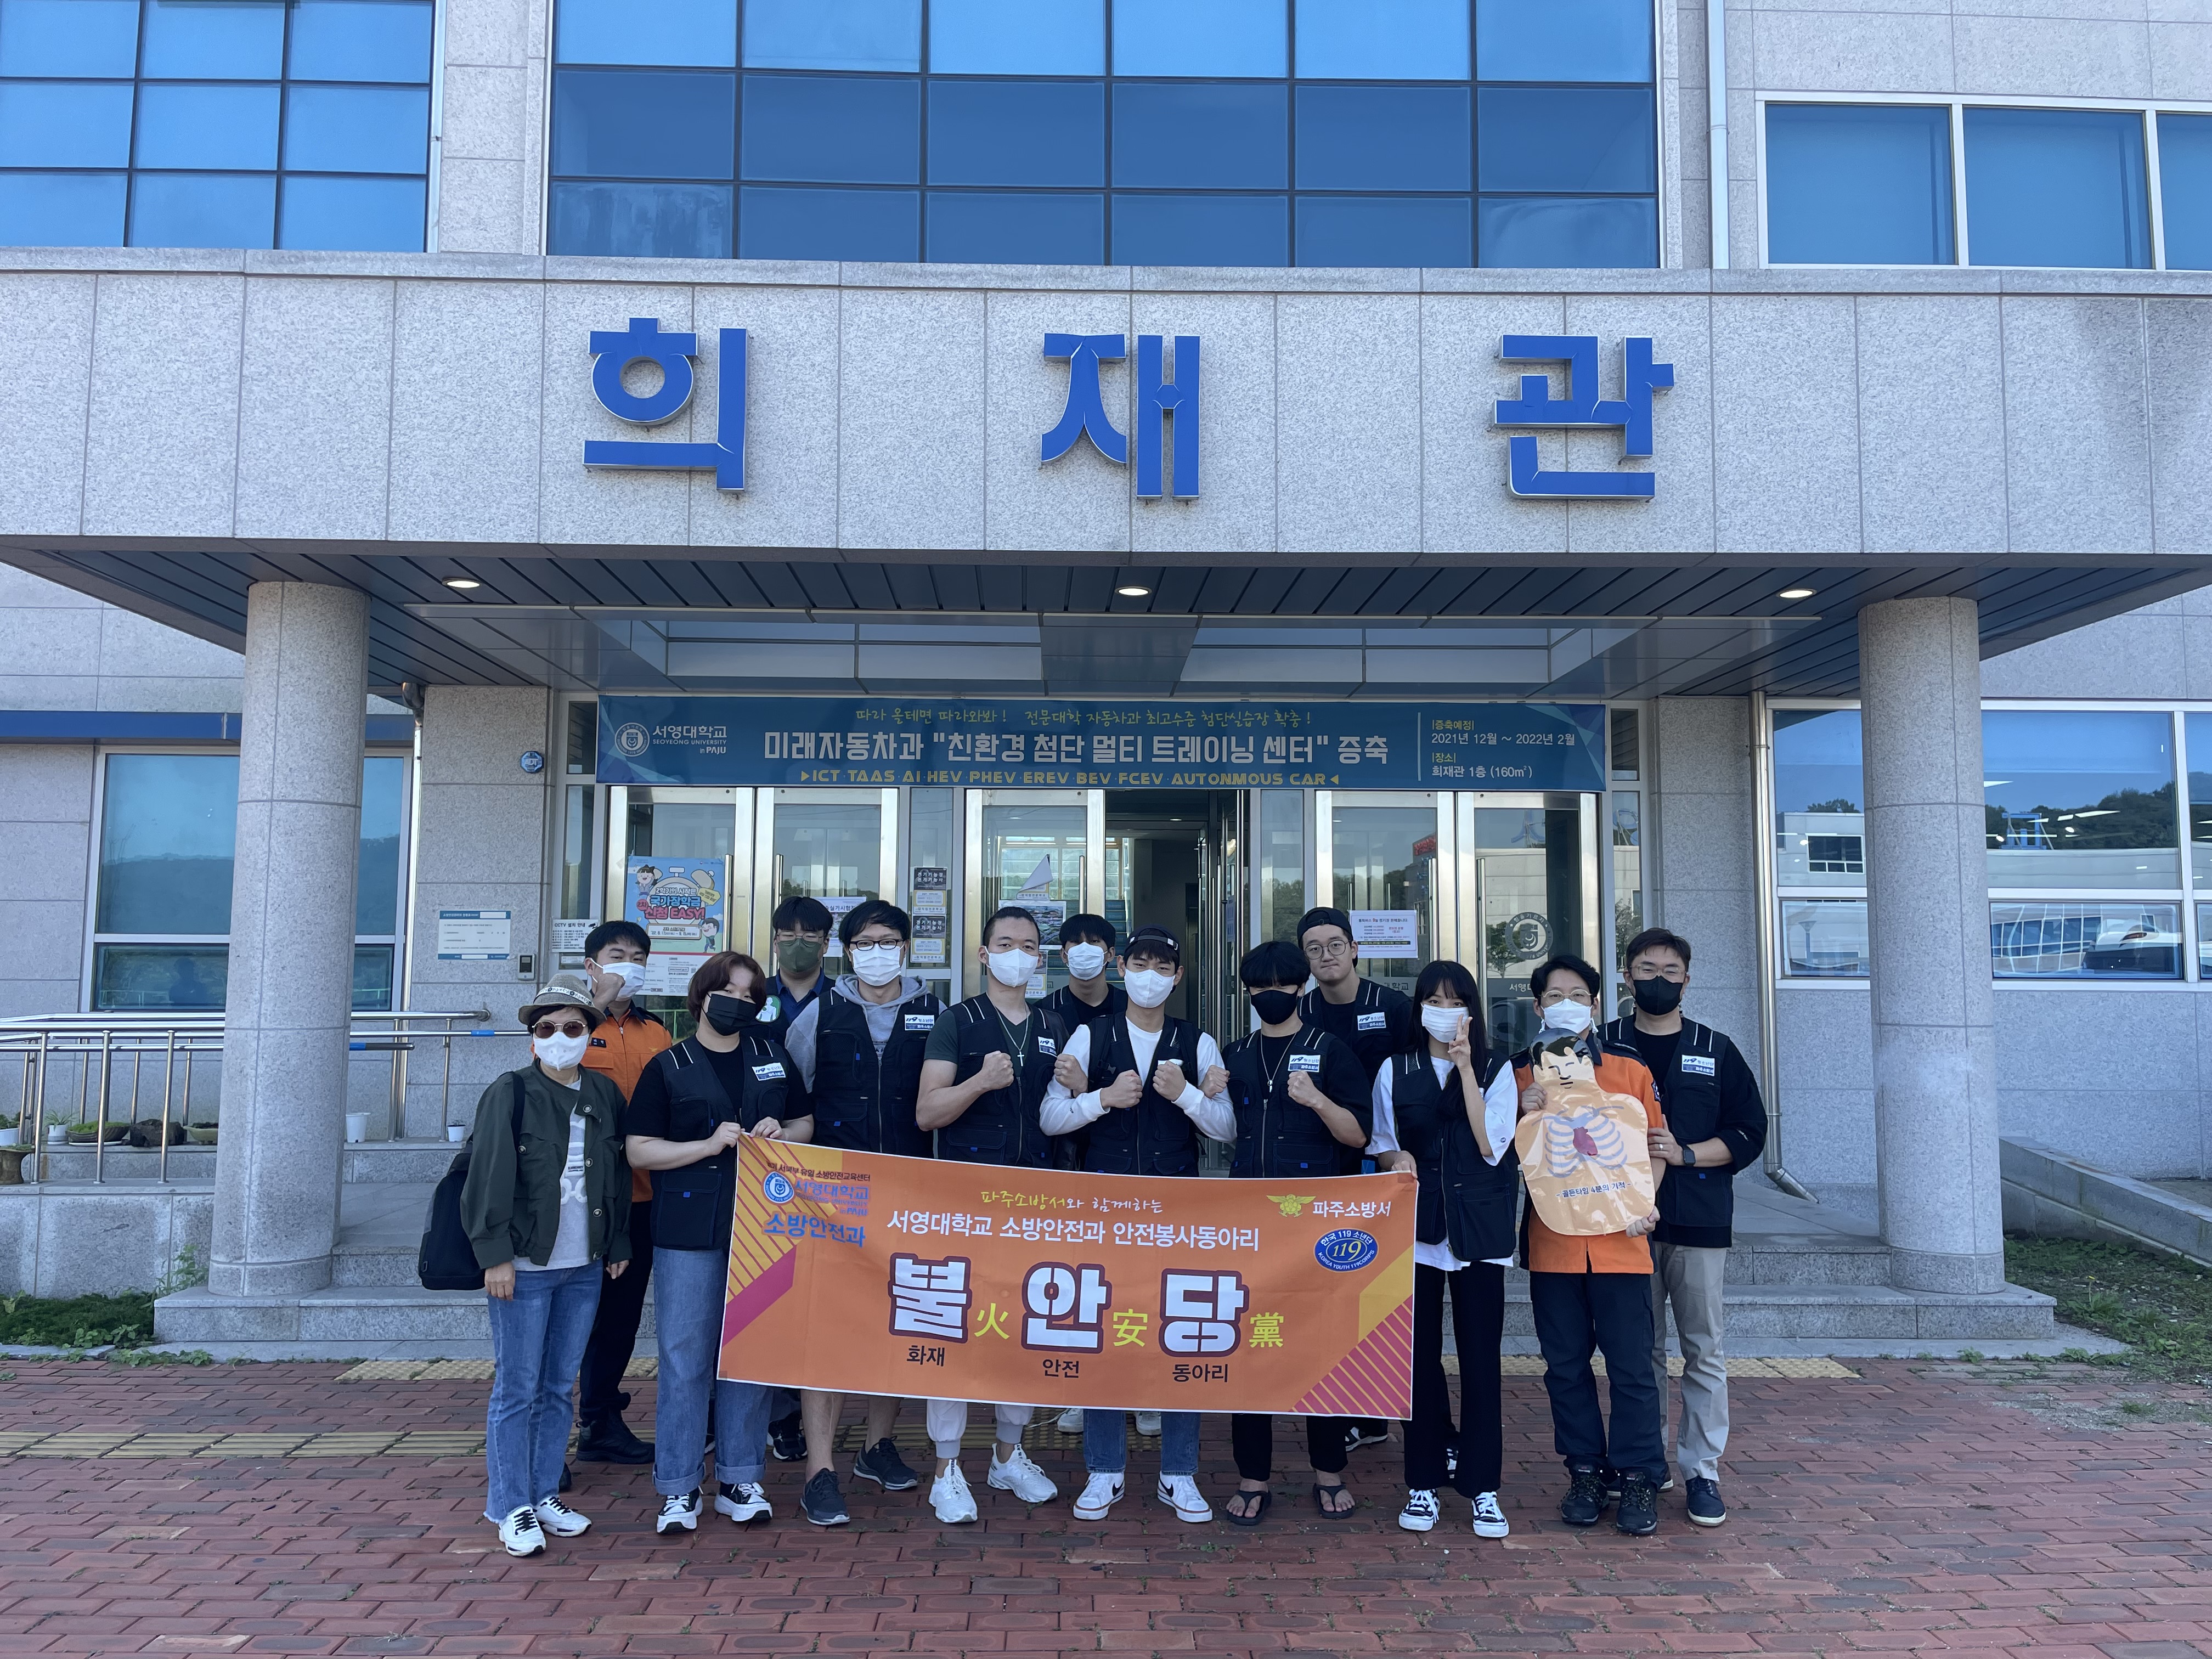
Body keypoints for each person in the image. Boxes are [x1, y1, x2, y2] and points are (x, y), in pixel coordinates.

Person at [1041, 924, 1233, 1524]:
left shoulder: (1198, 1041)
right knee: (1103, 1333)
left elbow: (1227, 1127)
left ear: (1178, 977)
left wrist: (1187, 1096)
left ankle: (1180, 1472)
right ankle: (1104, 1470)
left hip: (1178, 1214)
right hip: (1107, 1211)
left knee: (1183, 1333)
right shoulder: (1091, 1034)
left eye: (1163, 967)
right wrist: (1101, 1098)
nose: (1151, 976)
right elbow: (1050, 1116)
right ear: (1122, 969)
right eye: (1140, 964)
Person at [624, 952, 812, 1534]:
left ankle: (739, 1478)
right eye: (726, 992)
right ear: (701, 996)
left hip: (762, 1227)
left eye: (749, 995)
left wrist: (783, 1132)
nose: (737, 1003)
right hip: (689, 1230)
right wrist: (705, 1146)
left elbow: (806, 1122)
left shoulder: (771, 1056)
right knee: (685, 1358)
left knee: (750, 1355)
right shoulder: (669, 1065)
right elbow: (638, 1149)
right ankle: (679, 1487)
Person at [782, 898, 944, 1526]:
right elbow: (794, 1098)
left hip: (911, 1192)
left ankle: (878, 1445)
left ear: (907, 948)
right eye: (865, 943)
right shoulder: (820, 1014)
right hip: (834, 1196)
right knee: (826, 1330)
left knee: (898, 1321)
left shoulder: (938, 1014)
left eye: (889, 941)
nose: (878, 953)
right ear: (848, 952)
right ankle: (819, 1470)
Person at [1599, 927, 1767, 1530]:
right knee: (1637, 1350)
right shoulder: (1602, 1045)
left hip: (1698, 1219)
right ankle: (1646, 1464)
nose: (1659, 981)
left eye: (1671, 971)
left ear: (1687, 981)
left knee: (1703, 1348)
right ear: (1627, 977)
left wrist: (1689, 1154)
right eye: (1647, 970)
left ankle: (1701, 1469)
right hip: (1622, 1224)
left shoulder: (1715, 1049)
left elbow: (1750, 1132)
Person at [461, 974, 631, 1558]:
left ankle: (543, 1493)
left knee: (559, 1387)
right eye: (547, 1027)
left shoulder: (604, 1094)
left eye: (573, 1027)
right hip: (525, 1265)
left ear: (590, 1033)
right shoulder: (509, 1092)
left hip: (584, 1265)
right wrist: (495, 1257)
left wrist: (618, 1243)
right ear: (532, 1036)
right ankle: (509, 1504)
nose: (560, 1036)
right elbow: (487, 1178)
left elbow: (617, 1175)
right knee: (518, 1387)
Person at [911, 905, 1066, 1522]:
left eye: (1028, 946)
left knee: (1023, 1327)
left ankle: (1008, 1454)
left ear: (1040, 958)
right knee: (954, 1327)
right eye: (1005, 944)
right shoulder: (957, 1021)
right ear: (983, 954)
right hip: (966, 1203)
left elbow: (1065, 1111)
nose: (1017, 955)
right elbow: (927, 1112)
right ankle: (946, 1468)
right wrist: (978, 1082)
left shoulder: (1053, 1024)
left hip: (1035, 1203)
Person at [1218, 939, 1374, 1524]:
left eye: (1283, 986)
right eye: (1261, 988)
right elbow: (1220, 1128)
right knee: (1249, 1347)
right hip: (1249, 1223)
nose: (1272, 996)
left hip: (1316, 1225)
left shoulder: (1331, 1051)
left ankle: (1329, 1470)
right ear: (1248, 993)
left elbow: (1359, 1134)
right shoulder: (1235, 1054)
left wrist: (1317, 1101)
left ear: (1302, 989)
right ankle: (1253, 1475)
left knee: (1320, 1346)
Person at [1515, 954, 1668, 1537]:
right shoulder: (1521, 1073)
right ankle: (1584, 1470)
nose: (1567, 1005)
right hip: (1553, 1242)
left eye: (1578, 995)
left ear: (1597, 1004)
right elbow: (1501, 1151)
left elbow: (1656, 1145)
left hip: (1622, 1243)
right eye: (1555, 996)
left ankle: (1639, 1474)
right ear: (1538, 1007)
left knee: (1632, 1367)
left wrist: (1646, 1204)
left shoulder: (1629, 1068)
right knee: (1565, 1367)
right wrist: (1520, 1115)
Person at [1366, 960, 1517, 1541]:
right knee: (1418, 1362)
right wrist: (1395, 1159)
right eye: (1433, 1000)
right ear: (1419, 1008)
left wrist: (1466, 1068)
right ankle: (1423, 1481)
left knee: (1481, 1362)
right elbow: (1383, 1144)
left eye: (1456, 1002)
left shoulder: (1498, 1069)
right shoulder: (1394, 1068)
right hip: (1417, 1232)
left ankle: (1483, 1487)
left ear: (1472, 1011)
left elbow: (1490, 1144)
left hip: (1480, 1232)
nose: (1444, 1011)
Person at [1296, 905, 1414, 1457]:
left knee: (1385, 1295)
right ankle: (1352, 1412)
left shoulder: (1393, 1008)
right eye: (1314, 948)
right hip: (1329, 1168)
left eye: (1335, 944)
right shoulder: (1301, 1011)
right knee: (1337, 1291)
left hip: (1388, 1166)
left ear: (1355, 949)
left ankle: (1394, 1417)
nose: (1327, 956)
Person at [571, 920, 671, 1468]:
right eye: (617, 955)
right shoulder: (566, 1023)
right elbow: (547, 1073)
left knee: (620, 1317)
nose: (629, 965)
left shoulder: (657, 1031)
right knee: (570, 1316)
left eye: (638, 957)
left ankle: (601, 1420)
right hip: (581, 1198)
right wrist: (593, 1009)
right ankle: (548, 1435)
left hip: (641, 1197)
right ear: (592, 965)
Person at [1037, 911, 1126, 1432]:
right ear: (1063, 954)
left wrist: (1088, 1085)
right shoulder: (1045, 1013)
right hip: (1065, 1156)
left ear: (1112, 956)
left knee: (1128, 1276)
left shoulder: (1135, 1007)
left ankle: (1137, 1388)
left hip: (1125, 1158)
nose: (1086, 951)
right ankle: (1080, 1388)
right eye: (1076, 943)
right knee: (1076, 1274)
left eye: (1097, 943)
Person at [759, 894, 835, 1461]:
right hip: (763, 1161)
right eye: (788, 934)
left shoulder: (846, 999)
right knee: (767, 1288)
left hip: (830, 1159)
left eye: (811, 935)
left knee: (814, 1293)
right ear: (775, 940)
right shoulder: (750, 996)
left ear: (827, 944)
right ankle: (772, 1411)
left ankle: (797, 1409)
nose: (799, 943)